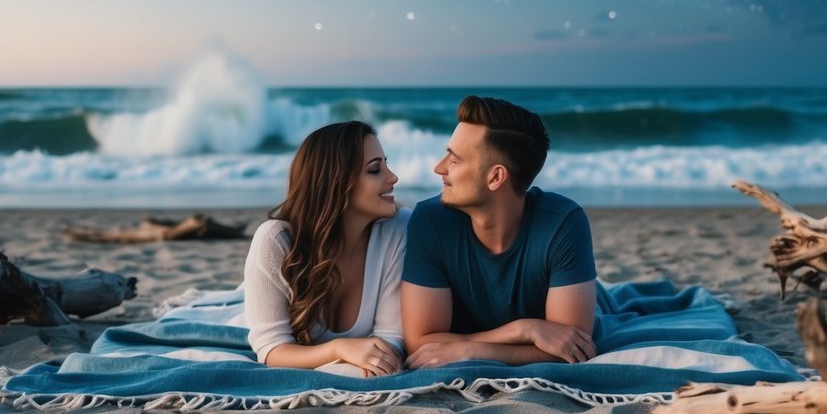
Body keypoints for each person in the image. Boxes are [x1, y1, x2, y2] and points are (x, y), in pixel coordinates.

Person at [401, 95, 598, 368]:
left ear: (495, 177)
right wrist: (524, 330)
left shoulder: (562, 223)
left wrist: (468, 350)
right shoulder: (430, 221)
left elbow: (573, 348)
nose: (439, 168)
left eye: (455, 161)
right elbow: (420, 343)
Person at [244, 121, 408, 377]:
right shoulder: (276, 241)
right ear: (336, 182)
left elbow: (391, 341)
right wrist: (338, 349)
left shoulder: (397, 228)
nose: (393, 177)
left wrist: (368, 357)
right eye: (375, 169)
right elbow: (272, 349)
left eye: (386, 164)